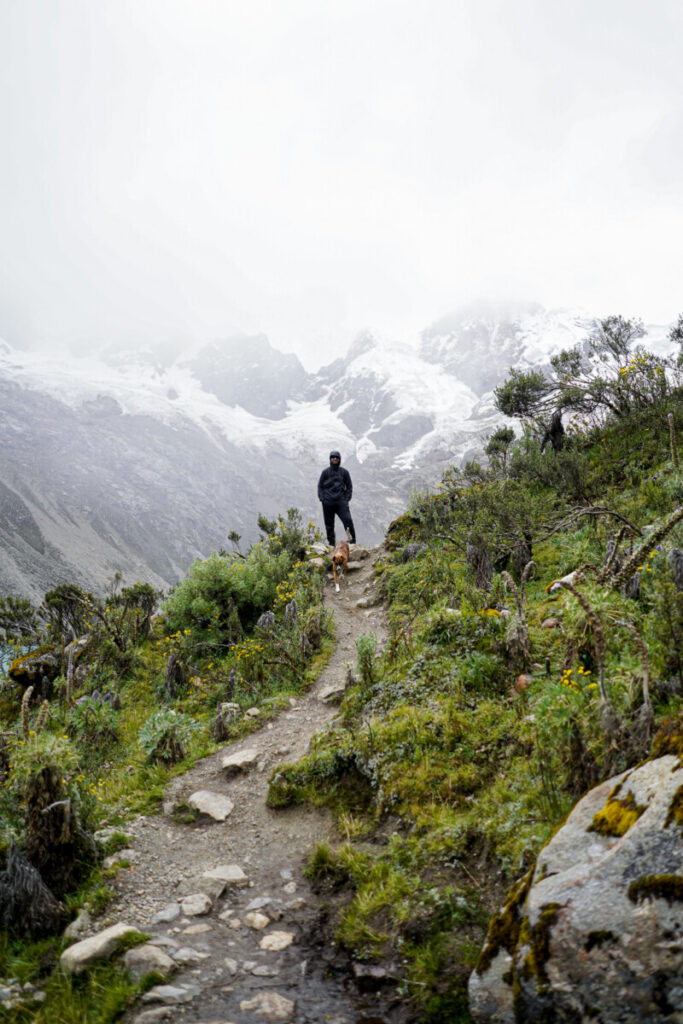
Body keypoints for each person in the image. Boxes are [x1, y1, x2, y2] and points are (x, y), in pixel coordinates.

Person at [317, 450, 356, 546]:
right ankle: (331, 545)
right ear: (330, 459)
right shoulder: (325, 472)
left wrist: (346, 499)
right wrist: (322, 498)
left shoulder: (344, 472)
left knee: (348, 521)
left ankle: (352, 543)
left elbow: (349, 486)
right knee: (329, 525)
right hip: (328, 503)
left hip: (340, 502)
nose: (335, 458)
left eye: (337, 457)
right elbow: (320, 486)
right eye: (333, 457)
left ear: (339, 459)